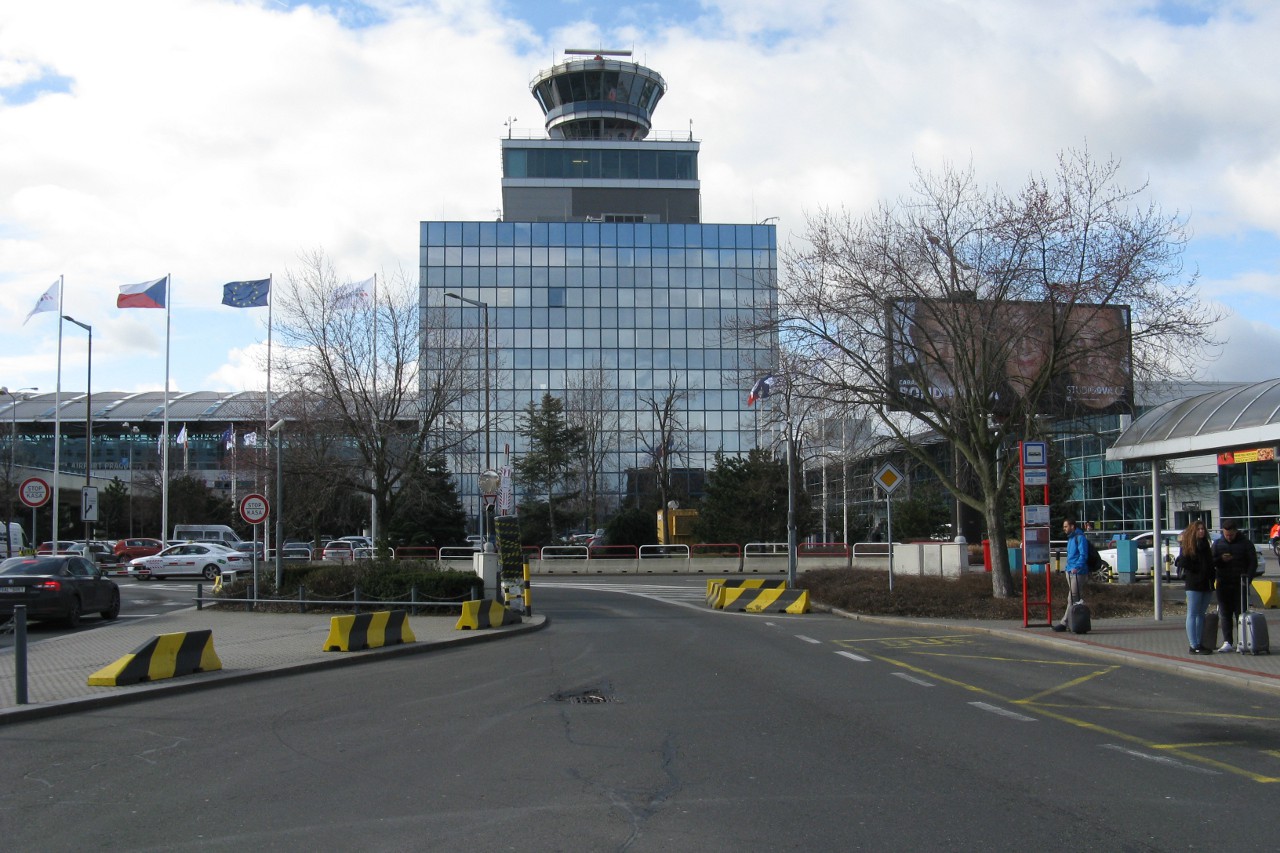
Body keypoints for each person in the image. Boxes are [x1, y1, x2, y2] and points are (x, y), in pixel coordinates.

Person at [1065, 304, 1131, 411]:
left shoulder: (1134, 393)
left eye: (1101, 343)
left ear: (1123, 345)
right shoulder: (1053, 395)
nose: (1089, 360)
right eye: (1077, 342)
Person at [1210, 520, 1257, 652]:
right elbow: (1211, 561)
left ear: (1235, 531)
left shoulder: (1246, 543)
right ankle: (1227, 642)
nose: (1228, 537)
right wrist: (1220, 559)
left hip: (1240, 584)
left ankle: (1242, 641)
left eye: (1230, 535)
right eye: (1226, 535)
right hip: (1223, 583)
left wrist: (1248, 579)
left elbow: (1253, 563)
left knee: (1241, 614)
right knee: (1225, 614)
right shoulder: (1218, 544)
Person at [1178, 520, 1215, 654]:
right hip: (1194, 584)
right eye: (1198, 529)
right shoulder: (1189, 546)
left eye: (1203, 529)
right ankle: (1193, 645)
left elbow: (1210, 563)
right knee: (1193, 614)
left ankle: (1199, 642)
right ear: (1193, 531)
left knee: (1201, 614)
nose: (1201, 531)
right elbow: (1183, 562)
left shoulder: (1205, 545)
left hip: (1207, 583)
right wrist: (1199, 570)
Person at [1053, 518, 1088, 631]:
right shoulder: (1071, 539)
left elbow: (1083, 555)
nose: (1064, 529)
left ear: (1072, 526)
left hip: (1078, 572)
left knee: (1072, 598)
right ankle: (1074, 623)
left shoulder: (1080, 538)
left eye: (1066, 526)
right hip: (1070, 571)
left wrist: (1077, 567)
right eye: (1064, 527)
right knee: (1074, 598)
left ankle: (1065, 623)